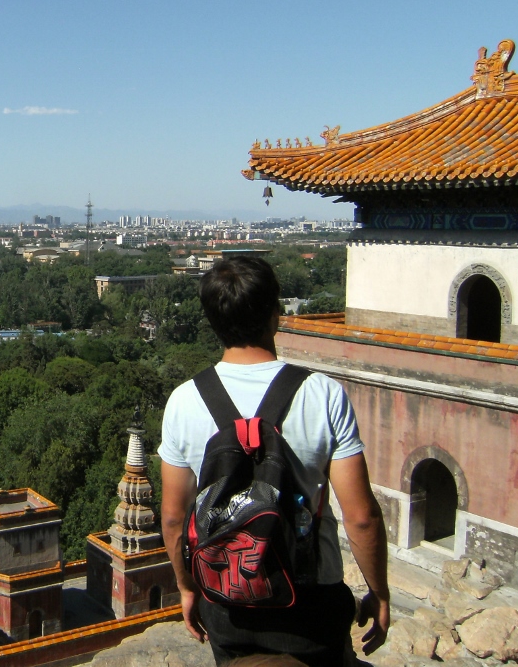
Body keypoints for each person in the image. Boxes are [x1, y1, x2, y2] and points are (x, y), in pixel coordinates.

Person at [159, 256, 389, 667]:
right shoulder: (322, 394)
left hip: (226, 596)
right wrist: (379, 590)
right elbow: (361, 517)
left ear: (212, 321)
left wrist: (187, 586)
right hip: (310, 599)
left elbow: (175, 518)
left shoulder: (184, 401)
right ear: (275, 314)